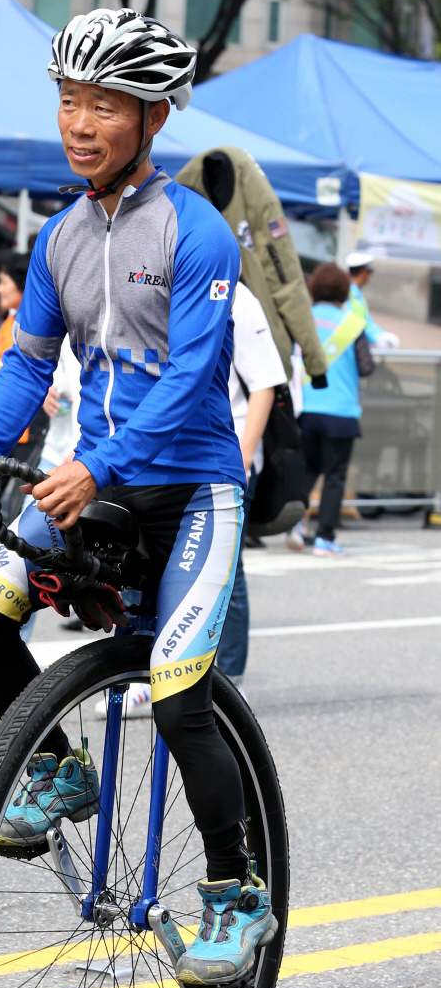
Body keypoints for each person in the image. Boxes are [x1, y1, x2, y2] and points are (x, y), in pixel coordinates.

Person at [0, 9, 276, 988]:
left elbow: (189, 382)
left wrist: (98, 460)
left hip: (191, 491)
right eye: (68, 101)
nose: (80, 123)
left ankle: (236, 891)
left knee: (178, 699)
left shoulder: (198, 233)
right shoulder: (58, 241)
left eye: (105, 104)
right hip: (91, 486)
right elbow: (25, 370)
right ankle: (57, 765)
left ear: (154, 115)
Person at [216, 281, 285, 692]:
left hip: (229, 455)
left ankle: (229, 678)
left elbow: (264, 384)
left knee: (227, 570)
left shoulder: (237, 296)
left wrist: (242, 457)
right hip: (174, 457)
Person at [296, 262, 373, 557]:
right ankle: (324, 538)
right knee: (335, 477)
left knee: (307, 470)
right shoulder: (353, 323)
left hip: (306, 409)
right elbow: (366, 367)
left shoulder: (304, 318)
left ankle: (295, 527)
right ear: (344, 290)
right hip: (340, 412)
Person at [0, 252, 54, 524]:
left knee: (20, 506)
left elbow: (33, 369)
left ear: (22, 283)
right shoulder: (7, 323)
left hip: (33, 425)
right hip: (8, 422)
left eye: (3, 282)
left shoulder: (45, 320)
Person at [345, 251, 400, 348]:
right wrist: (377, 336)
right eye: (369, 272)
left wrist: (380, 334)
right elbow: (356, 324)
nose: (369, 276)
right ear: (363, 271)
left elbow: (366, 320)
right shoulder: (350, 294)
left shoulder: (356, 293)